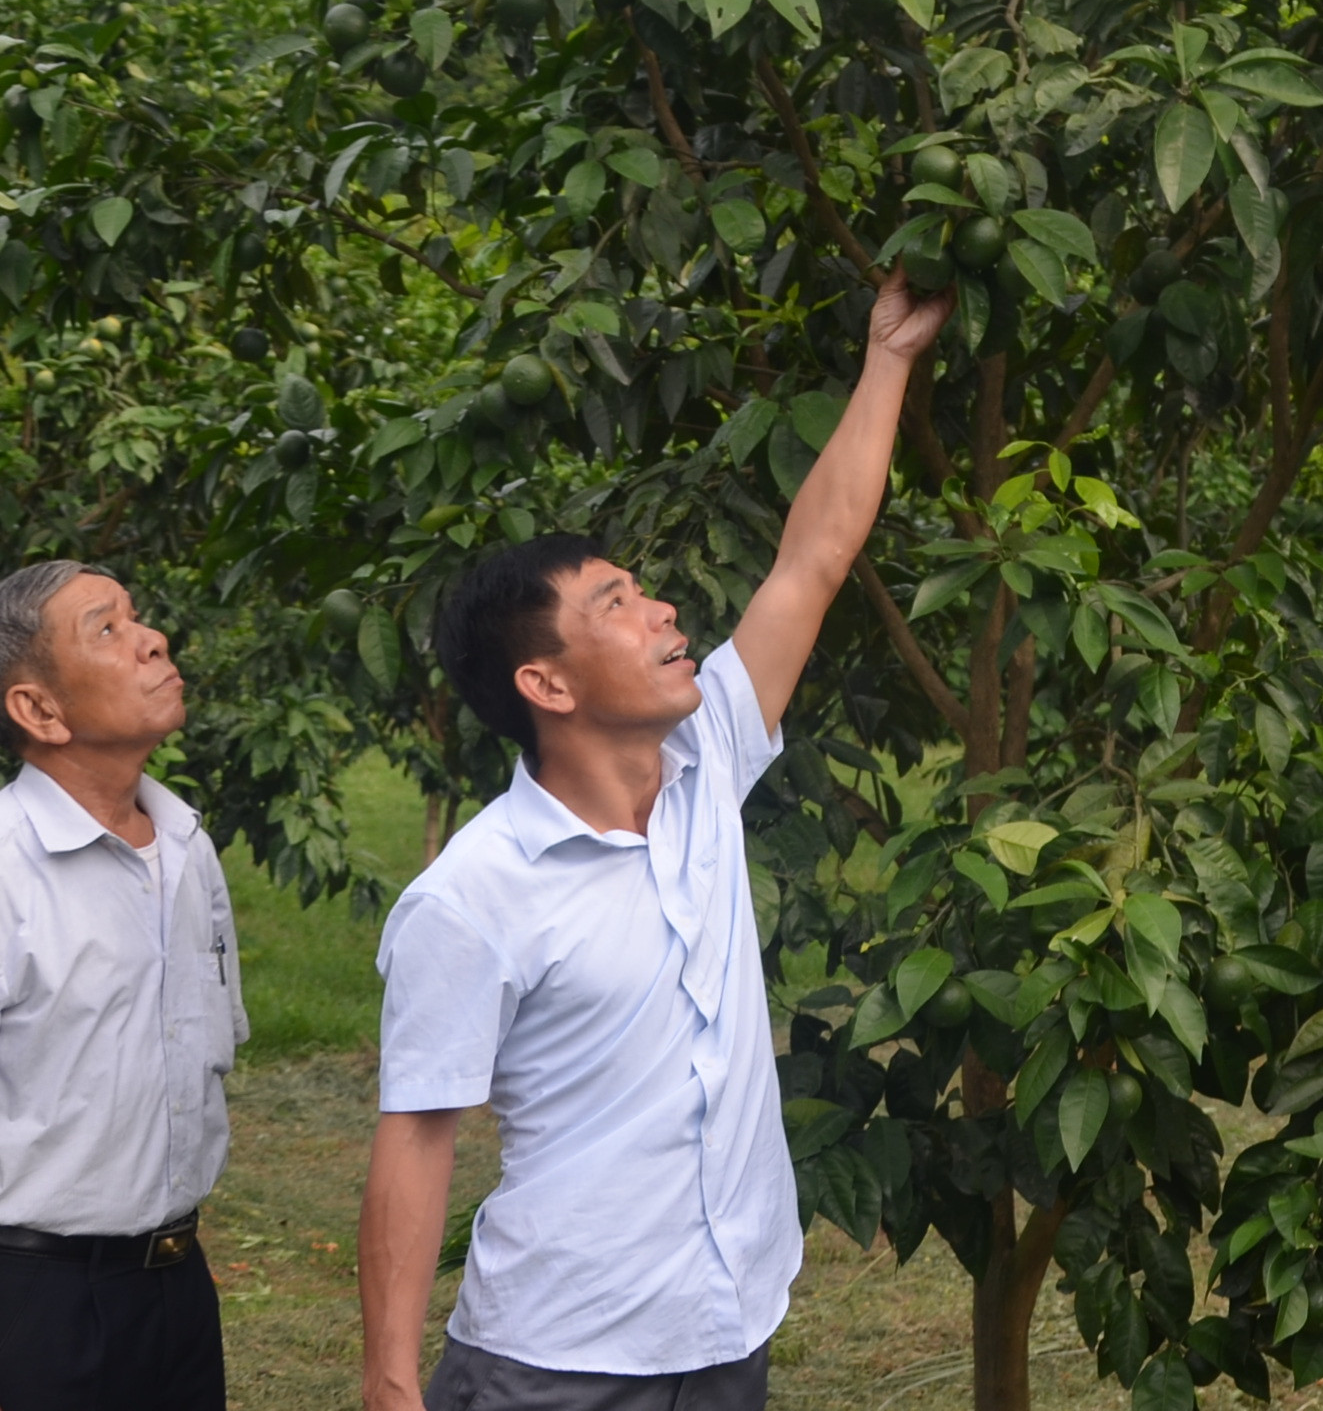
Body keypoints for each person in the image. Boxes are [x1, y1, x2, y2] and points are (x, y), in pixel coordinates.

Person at [359, 272, 953, 1411]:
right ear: (546, 682)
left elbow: (814, 558)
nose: (665, 612)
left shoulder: (705, 763)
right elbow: (418, 1138)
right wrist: (391, 1386)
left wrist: (888, 359)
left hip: (727, 1329)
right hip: (557, 1361)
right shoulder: (473, 897)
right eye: (619, 605)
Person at [0, 560, 243, 1411]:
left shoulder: (185, 848)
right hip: (31, 1307)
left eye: (137, 617)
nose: (154, 640)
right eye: (106, 630)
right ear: (38, 710)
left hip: (177, 1291)